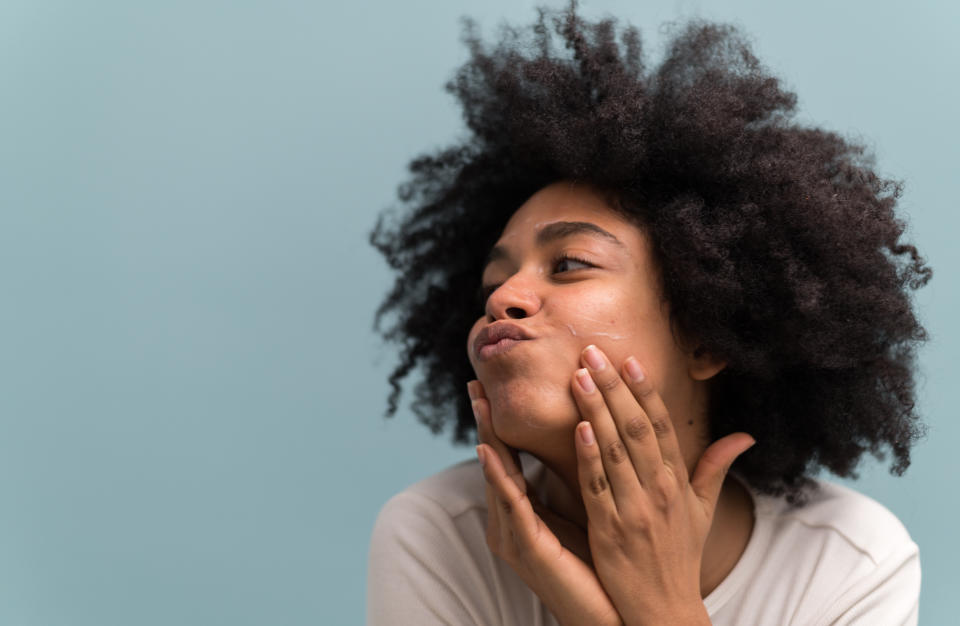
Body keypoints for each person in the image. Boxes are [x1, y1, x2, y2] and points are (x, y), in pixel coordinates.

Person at [366, 2, 931, 624]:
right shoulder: (438, 536)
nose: (502, 300)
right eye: (493, 284)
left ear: (703, 335)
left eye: (570, 264)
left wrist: (654, 610)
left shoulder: (850, 563)